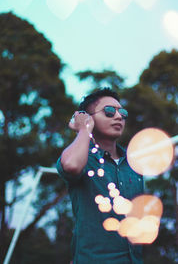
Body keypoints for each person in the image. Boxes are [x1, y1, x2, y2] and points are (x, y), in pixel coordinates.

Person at [56, 88, 144, 264]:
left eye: (122, 112)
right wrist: (84, 129)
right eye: (109, 111)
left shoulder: (134, 164)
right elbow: (71, 165)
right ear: (89, 118)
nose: (118, 116)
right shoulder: (83, 159)